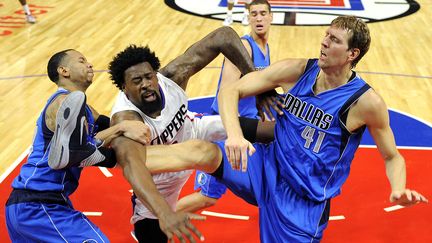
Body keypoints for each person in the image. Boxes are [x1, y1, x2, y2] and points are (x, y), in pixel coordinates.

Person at [132, 15, 428, 242]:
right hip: (265, 166)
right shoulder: (298, 69)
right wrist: (234, 136)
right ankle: (116, 156)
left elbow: (392, 156)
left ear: (353, 53)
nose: (324, 42)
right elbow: (229, 92)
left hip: (302, 202)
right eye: (326, 35)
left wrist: (398, 188)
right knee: (202, 150)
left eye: (334, 40)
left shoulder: (366, 102)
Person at [108, 26, 275, 243]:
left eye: (149, 77)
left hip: (192, 130)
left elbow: (223, 36)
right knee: (151, 231)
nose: (147, 84)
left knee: (262, 129)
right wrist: (166, 214)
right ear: (124, 87)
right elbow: (133, 167)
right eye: (137, 81)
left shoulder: (171, 78)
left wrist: (258, 85)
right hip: (160, 179)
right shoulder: (127, 120)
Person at [4, 49, 151, 242]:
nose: (89, 64)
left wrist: (138, 128)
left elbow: (110, 126)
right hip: (40, 203)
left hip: (32, 204)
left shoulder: (86, 109)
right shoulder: (61, 102)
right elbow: (115, 131)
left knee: (92, 149)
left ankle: (84, 150)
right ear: (64, 71)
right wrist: (120, 129)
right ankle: (82, 150)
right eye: (82, 61)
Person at [176, 0, 273, 213]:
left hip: (247, 128)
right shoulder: (244, 47)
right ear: (248, 18)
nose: (258, 18)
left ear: (271, 17)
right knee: (206, 197)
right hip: (226, 129)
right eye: (254, 14)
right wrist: (232, 133)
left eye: (263, 13)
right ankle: (154, 224)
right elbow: (225, 92)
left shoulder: (265, 49)